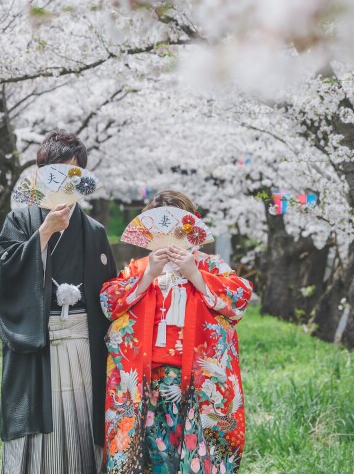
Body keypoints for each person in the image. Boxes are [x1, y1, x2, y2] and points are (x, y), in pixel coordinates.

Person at [100, 191, 253, 474]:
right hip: (149, 379)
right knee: (154, 456)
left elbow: (240, 296)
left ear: (190, 227)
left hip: (198, 381)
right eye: (159, 227)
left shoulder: (209, 265)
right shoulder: (140, 267)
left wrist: (194, 274)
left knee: (195, 456)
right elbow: (109, 301)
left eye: (175, 226)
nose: (168, 235)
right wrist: (148, 276)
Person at [0, 130, 116, 474]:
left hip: (83, 345)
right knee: (37, 436)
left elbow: (110, 299)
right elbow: (3, 280)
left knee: (81, 425)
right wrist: (43, 233)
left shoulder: (94, 232)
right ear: (41, 174)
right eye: (55, 172)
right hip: (38, 345)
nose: (63, 181)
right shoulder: (21, 221)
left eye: (72, 173)